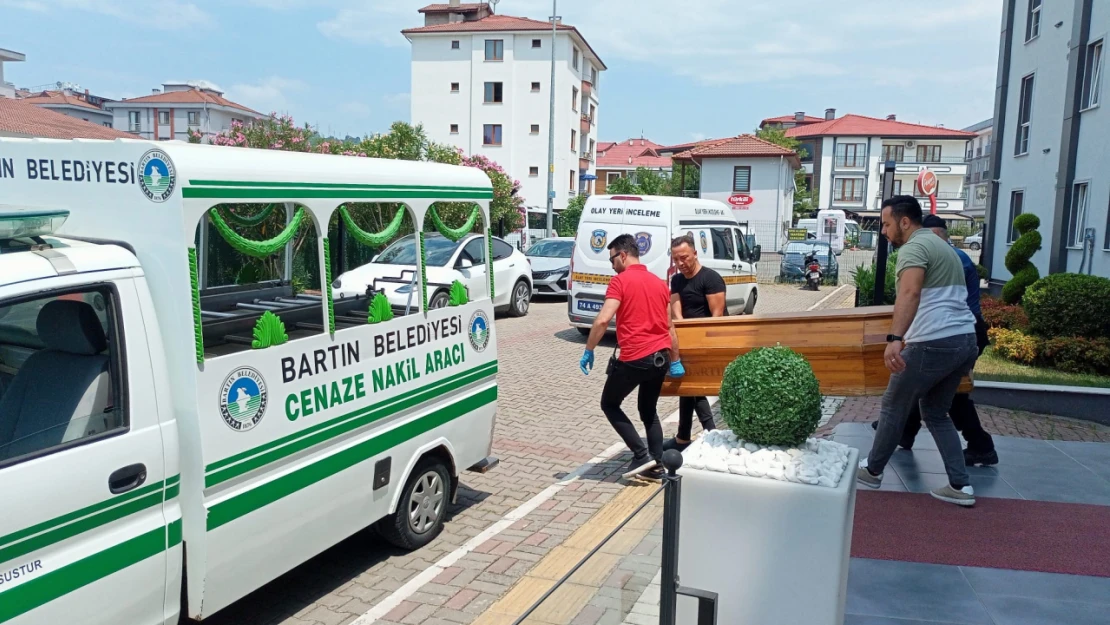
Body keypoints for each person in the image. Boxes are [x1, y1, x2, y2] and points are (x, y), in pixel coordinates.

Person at [857, 196, 980, 506]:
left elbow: (910, 292)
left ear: (904, 222)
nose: (883, 231)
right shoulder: (943, 247)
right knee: (936, 413)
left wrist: (895, 338)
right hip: (964, 340)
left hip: (934, 342)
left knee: (894, 405)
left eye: (886, 224)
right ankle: (961, 485)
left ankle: (872, 471)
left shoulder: (913, 248)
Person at [871, 215, 998, 466]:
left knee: (952, 396)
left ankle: (980, 445)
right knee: (933, 391)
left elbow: (916, 292)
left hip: (957, 331)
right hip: (958, 331)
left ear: (935, 234)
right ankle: (907, 433)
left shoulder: (948, 256)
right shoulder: (950, 254)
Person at [580, 234, 678, 480]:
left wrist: (589, 349)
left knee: (609, 404)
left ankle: (641, 455)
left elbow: (603, 319)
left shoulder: (620, 282)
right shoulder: (659, 283)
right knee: (648, 410)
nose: (612, 265)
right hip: (660, 358)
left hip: (636, 356)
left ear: (623, 255)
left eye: (612, 258)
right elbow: (670, 326)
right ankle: (656, 467)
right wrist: (675, 360)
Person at [663, 234, 726, 451]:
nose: (681, 263)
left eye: (685, 258)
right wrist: (683, 337)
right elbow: (676, 311)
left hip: (710, 341)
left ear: (695, 253)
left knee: (693, 389)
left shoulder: (711, 278)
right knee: (687, 388)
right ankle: (685, 436)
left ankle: (710, 433)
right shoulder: (677, 280)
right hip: (687, 341)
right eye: (676, 259)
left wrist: (702, 342)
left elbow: (717, 316)